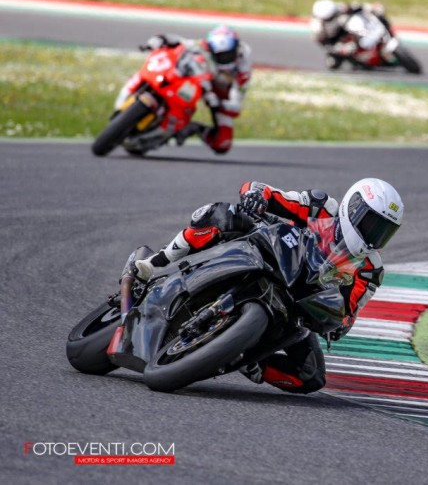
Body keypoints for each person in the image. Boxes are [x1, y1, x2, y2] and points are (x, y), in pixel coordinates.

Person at [131, 178, 404, 394]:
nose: (375, 236)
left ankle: (251, 360)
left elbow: (349, 311)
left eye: (384, 231)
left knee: (311, 375)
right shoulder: (321, 207)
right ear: (353, 208)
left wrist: (338, 323)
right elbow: (267, 192)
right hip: (272, 252)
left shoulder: (370, 269)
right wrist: (257, 195)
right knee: (223, 215)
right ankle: (156, 263)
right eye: (372, 224)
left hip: (298, 302)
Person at [115, 25, 253, 154]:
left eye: (228, 54)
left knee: (223, 143)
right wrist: (160, 39)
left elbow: (236, 105)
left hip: (218, 95)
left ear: (237, 49)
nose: (224, 59)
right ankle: (130, 98)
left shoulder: (243, 67)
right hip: (197, 79)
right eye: (220, 55)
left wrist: (219, 104)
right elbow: (182, 42)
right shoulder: (203, 45)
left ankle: (189, 128)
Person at [309, 0, 392, 69]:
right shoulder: (317, 29)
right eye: (331, 17)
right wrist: (340, 49)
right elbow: (326, 46)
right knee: (332, 63)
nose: (334, 16)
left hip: (349, 29)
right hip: (336, 41)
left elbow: (356, 6)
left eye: (335, 14)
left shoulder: (337, 8)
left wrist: (372, 7)